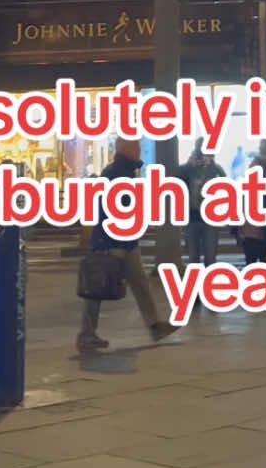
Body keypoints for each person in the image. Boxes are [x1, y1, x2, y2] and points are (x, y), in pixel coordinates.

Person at [77, 139, 173, 352]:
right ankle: (86, 333)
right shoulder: (116, 173)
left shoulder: (125, 172)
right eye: (135, 147)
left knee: (139, 281)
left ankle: (155, 325)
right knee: (98, 286)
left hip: (125, 240)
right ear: (125, 150)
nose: (139, 150)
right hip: (113, 240)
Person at [179, 138, 226, 268]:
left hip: (210, 218)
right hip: (192, 217)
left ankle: (208, 284)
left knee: (210, 257)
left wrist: (213, 165)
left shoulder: (214, 168)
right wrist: (188, 165)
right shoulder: (188, 168)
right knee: (193, 257)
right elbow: (175, 180)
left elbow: (226, 185)